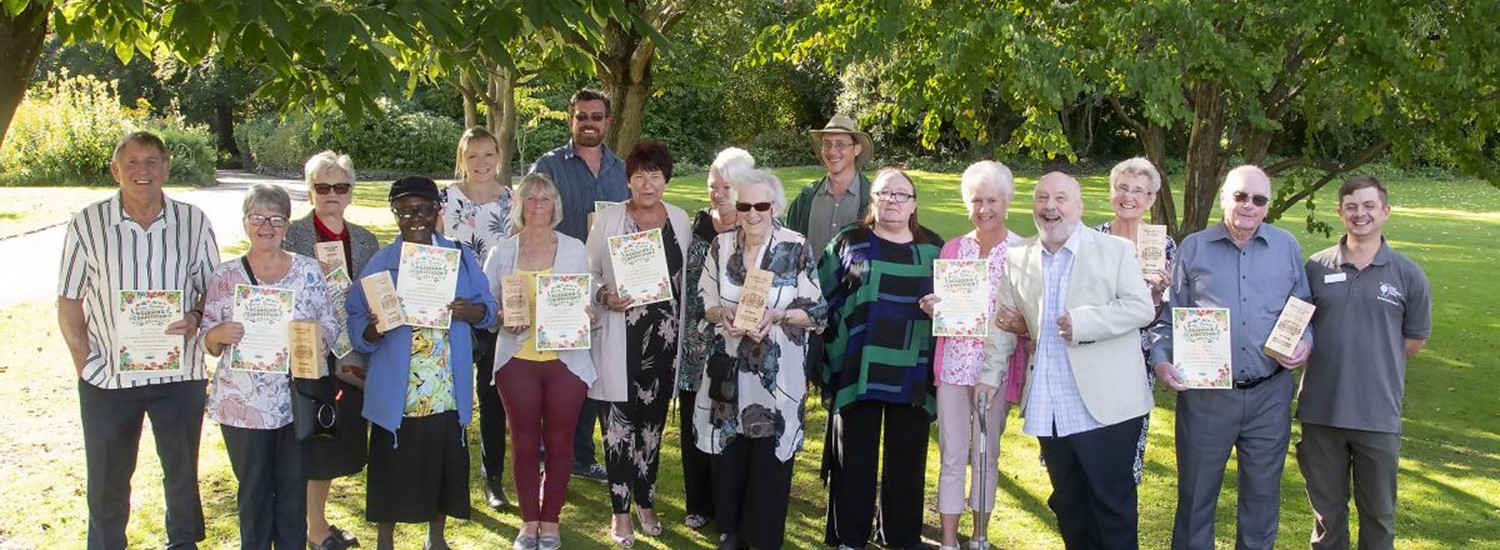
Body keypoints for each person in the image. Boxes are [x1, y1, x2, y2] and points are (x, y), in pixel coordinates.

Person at [974, 172, 1156, 549]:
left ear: (1080, 207)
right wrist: (990, 375)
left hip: (1107, 403)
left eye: (1060, 198)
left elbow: (1141, 309)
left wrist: (1084, 322)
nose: (1050, 206)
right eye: (1042, 198)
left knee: (1112, 507)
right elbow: (1005, 322)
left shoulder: (1115, 250)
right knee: (1069, 504)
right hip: (1050, 401)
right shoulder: (1018, 255)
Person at [57, 131, 219, 550]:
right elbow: (70, 301)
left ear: (166, 168)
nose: (142, 171)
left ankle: (183, 543)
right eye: (131, 162)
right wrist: (85, 365)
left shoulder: (193, 222)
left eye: (151, 161)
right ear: (115, 170)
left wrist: (197, 316)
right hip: (108, 379)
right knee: (108, 476)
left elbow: (214, 292)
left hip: (179, 374)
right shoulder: (87, 224)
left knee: (182, 473)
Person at [1149, 165, 1314, 550]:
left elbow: (1302, 307)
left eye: (1259, 199)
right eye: (1240, 196)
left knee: (1261, 501)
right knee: (1195, 499)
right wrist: (1161, 359)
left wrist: (1305, 340)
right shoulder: (1194, 247)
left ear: (1267, 206)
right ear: (1224, 197)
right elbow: (1170, 317)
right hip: (1207, 397)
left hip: (1269, 394)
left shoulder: (1286, 246)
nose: (1249, 206)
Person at [345, 176, 497, 550]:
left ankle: (436, 535)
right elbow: (353, 317)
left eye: (425, 209)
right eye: (406, 210)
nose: (416, 217)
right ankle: (386, 539)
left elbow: (490, 310)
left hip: (445, 384)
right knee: (391, 467)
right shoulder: (381, 262)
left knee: (440, 462)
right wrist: (373, 330)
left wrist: (472, 310)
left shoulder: (458, 257)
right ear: (395, 214)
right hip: (399, 387)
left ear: (437, 211)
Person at [200, 184, 339, 549]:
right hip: (241, 406)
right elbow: (208, 341)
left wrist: (310, 337)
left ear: (287, 224)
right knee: (254, 491)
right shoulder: (225, 276)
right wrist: (218, 331)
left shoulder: (308, 271)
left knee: (293, 490)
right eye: (257, 217)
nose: (266, 225)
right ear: (245, 222)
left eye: (276, 218)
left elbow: (331, 324)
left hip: (295, 401)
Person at [694, 168, 827, 550]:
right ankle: (732, 532)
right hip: (730, 366)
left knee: (769, 456)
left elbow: (817, 311)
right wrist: (724, 316)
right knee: (731, 450)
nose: (753, 213)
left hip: (777, 372)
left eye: (762, 205)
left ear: (775, 207)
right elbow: (706, 301)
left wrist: (778, 315)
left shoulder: (795, 246)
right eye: (745, 205)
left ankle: (764, 535)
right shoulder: (721, 247)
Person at [1297, 176, 1431, 550]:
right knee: (1327, 519)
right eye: (1352, 206)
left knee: (1378, 517)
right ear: (1339, 212)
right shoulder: (1315, 267)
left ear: (1385, 211)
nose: (1361, 214)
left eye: (1369, 206)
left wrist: (1374, 362)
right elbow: (1297, 328)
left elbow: (1414, 340)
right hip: (1321, 412)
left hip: (1377, 415)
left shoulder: (1408, 274)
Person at [818, 168, 943, 550]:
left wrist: (943, 307)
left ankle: (901, 537)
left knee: (907, 461)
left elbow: (958, 307)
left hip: (912, 367)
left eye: (901, 195)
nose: (891, 201)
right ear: (873, 200)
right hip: (858, 364)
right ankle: (850, 537)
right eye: (884, 193)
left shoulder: (935, 249)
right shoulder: (849, 240)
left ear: (914, 204)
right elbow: (818, 293)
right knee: (854, 459)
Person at [481, 172, 597, 550]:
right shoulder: (502, 253)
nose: (537, 206)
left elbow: (590, 298)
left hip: (566, 361)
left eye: (544, 199)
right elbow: (487, 308)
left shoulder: (575, 248)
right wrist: (501, 316)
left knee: (560, 441)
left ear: (555, 207)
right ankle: (528, 522)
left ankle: (551, 521)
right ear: (519, 206)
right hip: (517, 359)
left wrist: (589, 311)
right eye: (530, 198)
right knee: (525, 442)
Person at [916, 161, 1025, 550]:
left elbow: (1029, 321)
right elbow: (948, 306)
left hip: (993, 372)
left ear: (1006, 202)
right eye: (977, 200)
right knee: (951, 455)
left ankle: (979, 537)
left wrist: (1020, 324)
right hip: (953, 367)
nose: (984, 209)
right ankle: (948, 542)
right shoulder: (952, 248)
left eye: (992, 200)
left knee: (985, 455)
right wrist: (935, 308)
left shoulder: (1021, 253)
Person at [585, 141, 690, 547]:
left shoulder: (679, 219)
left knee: (651, 427)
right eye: (640, 175)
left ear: (666, 179)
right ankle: (620, 511)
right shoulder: (609, 219)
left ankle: (646, 498)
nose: (648, 183)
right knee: (617, 428)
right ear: (628, 178)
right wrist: (602, 296)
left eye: (656, 175)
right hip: (618, 338)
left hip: (663, 344)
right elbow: (588, 270)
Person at [530, 88, 631, 482]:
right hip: (560, 285)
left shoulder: (620, 170)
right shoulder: (550, 165)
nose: (589, 123)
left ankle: (582, 455)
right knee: (554, 375)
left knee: (588, 372)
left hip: (604, 286)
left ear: (607, 122)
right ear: (571, 119)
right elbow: (531, 214)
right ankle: (545, 455)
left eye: (597, 116)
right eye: (582, 116)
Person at [282, 150, 381, 550]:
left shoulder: (366, 240)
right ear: (310, 192)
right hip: (307, 354)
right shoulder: (291, 235)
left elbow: (376, 296)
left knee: (338, 443)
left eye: (341, 187)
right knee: (314, 440)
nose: (332, 195)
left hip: (351, 358)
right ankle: (316, 529)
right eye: (323, 187)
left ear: (351, 192)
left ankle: (314, 522)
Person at [677, 147, 756, 531]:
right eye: (713, 185)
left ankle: (734, 505)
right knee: (696, 419)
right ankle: (698, 504)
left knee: (733, 424)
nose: (718, 193)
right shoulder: (695, 224)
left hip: (743, 342)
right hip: (696, 341)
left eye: (726, 186)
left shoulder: (753, 227)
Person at [441, 127, 515, 510]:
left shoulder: (512, 200)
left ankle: (492, 481)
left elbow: (520, 257)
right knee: (451, 399)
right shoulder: (446, 199)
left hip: (496, 314)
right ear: (462, 158)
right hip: (452, 312)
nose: (481, 163)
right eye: (473, 156)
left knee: (492, 401)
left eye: (488, 155)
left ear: (498, 156)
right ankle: (451, 478)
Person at [1091, 157, 1176, 486]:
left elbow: (1161, 320)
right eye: (1123, 188)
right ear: (1112, 192)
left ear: (1151, 199)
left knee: (1125, 454)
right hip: (1092, 357)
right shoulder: (1090, 240)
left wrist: (1158, 295)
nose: (1129, 197)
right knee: (1087, 447)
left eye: (1139, 191)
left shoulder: (1165, 246)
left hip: (1135, 361)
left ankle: (1119, 521)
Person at [784, 114, 875, 256]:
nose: (832, 151)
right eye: (827, 144)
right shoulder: (804, 200)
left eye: (840, 144)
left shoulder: (875, 200)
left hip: (857, 279)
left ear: (856, 149)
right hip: (809, 279)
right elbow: (788, 252)